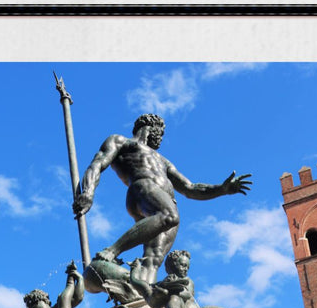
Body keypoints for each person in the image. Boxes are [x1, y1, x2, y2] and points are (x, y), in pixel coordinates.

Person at [72, 113, 251, 281]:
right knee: (170, 216)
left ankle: (141, 297)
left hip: (166, 200)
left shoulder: (163, 161)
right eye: (161, 133)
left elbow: (190, 188)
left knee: (153, 260)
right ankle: (112, 250)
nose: (161, 138)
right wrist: (88, 193)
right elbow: (97, 165)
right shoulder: (121, 141)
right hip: (143, 189)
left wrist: (222, 189)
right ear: (151, 128)